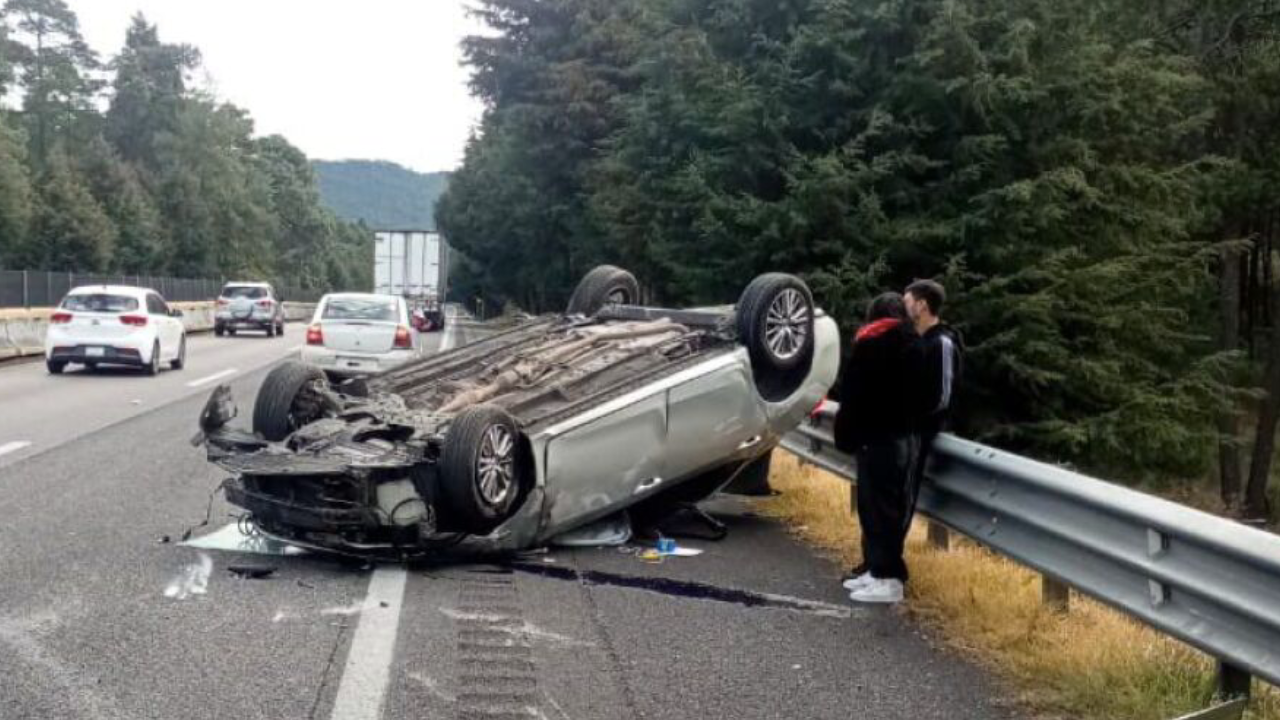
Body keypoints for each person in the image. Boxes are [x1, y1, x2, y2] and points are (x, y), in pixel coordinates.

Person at [833, 292, 925, 604]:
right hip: (903, 437)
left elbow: (853, 396)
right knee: (889, 508)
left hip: (876, 438)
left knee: (876, 509)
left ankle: (887, 577)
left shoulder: (871, 344)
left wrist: (845, 435)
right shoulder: (915, 344)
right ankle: (878, 572)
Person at [902, 279, 963, 528]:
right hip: (907, 430)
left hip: (919, 432)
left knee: (904, 494)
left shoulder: (941, 343)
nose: (903, 307)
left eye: (907, 302)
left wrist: (914, 420)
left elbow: (942, 397)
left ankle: (888, 559)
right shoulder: (918, 340)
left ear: (922, 306)